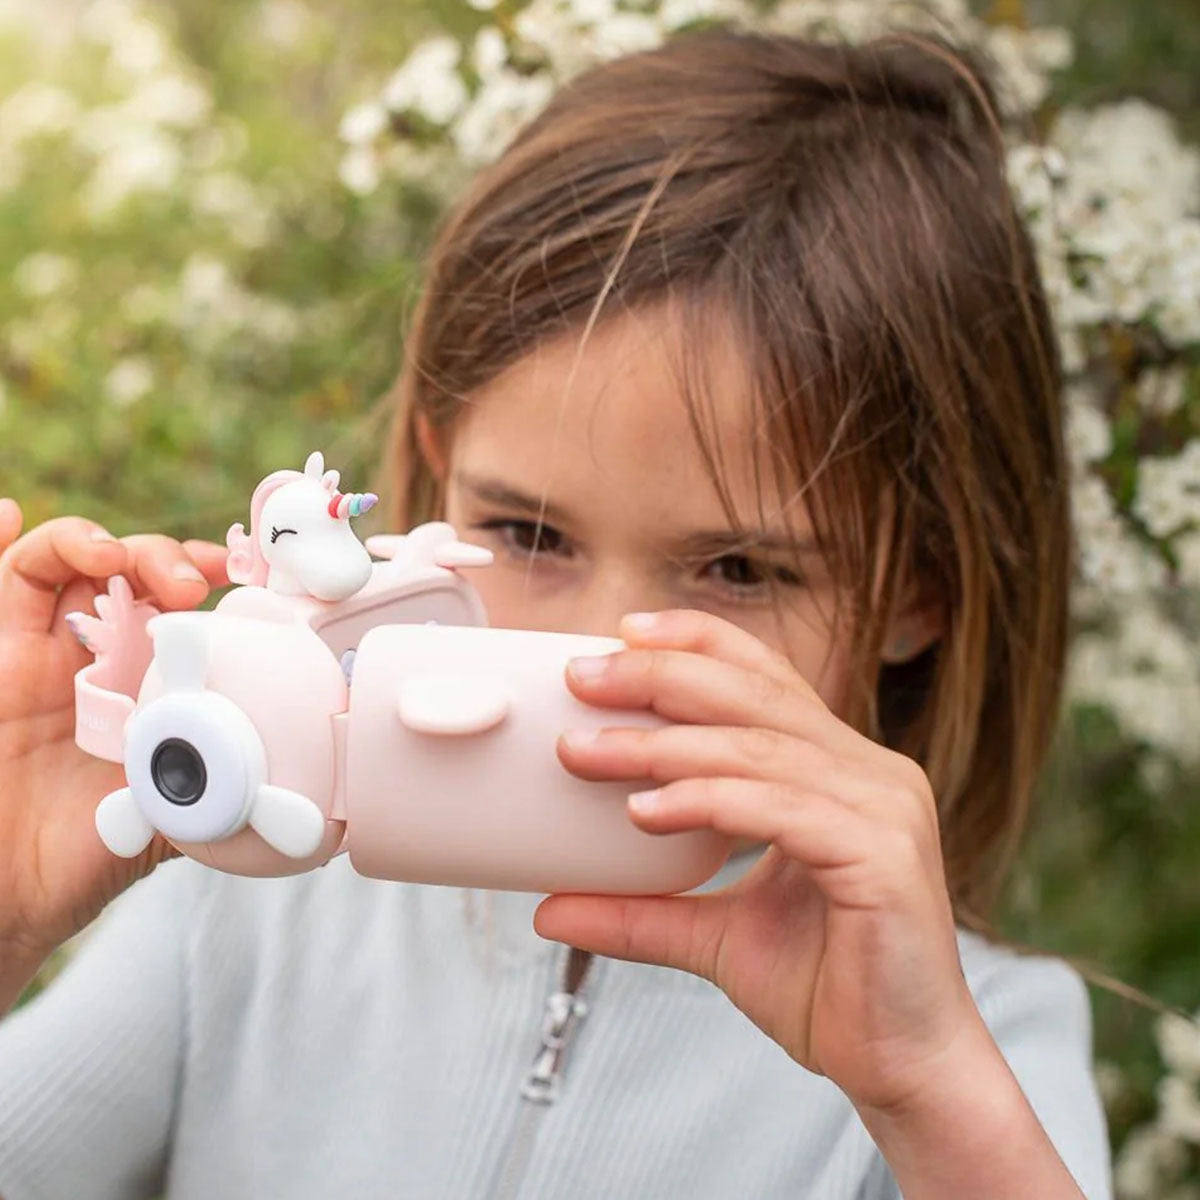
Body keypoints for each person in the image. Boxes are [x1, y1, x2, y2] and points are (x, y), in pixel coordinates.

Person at [0, 27, 1112, 1200]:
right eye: (529, 534)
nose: (605, 655)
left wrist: (930, 1094)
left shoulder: (963, 1038)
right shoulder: (254, 895)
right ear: (439, 472)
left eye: (739, 569)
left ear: (917, 598)